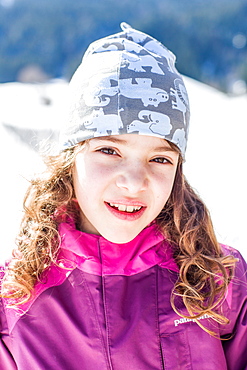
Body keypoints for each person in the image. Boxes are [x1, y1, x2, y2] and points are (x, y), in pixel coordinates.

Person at [0, 22, 246, 370]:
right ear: (71, 157)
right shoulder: (13, 301)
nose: (134, 183)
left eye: (160, 158)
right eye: (109, 151)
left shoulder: (219, 281)